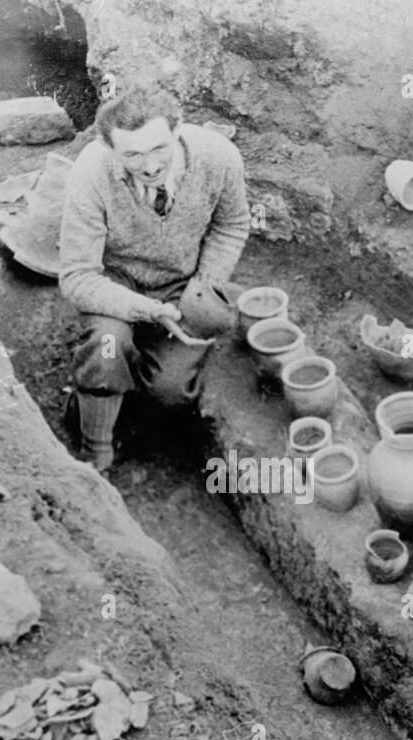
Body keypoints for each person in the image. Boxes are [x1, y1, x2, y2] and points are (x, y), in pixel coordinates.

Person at [58, 84, 251, 471]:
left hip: (182, 283)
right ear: (110, 149)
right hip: (116, 285)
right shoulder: (91, 172)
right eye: (132, 154)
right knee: (109, 347)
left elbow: (232, 225)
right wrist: (147, 310)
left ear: (178, 131)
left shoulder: (219, 157)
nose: (149, 167)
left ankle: (127, 409)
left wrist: (201, 291)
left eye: (159, 149)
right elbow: (78, 277)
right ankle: (96, 446)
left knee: (170, 391)